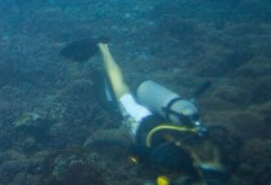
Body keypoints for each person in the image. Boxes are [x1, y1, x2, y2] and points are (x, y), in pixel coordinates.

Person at [61, 38, 230, 184]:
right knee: (119, 88)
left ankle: (103, 53)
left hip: (157, 127)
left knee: (115, 97)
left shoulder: (199, 160)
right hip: (145, 123)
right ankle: (103, 47)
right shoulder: (192, 166)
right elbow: (143, 157)